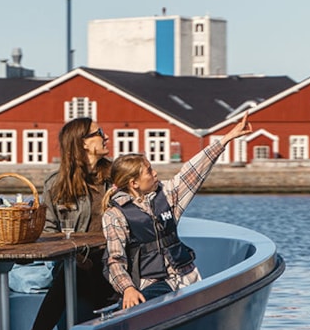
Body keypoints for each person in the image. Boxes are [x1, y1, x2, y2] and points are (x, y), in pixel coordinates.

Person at [101, 113, 253, 310]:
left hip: (186, 277)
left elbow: (194, 170)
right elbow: (115, 259)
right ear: (134, 183)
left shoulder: (168, 194)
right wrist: (128, 288)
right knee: (134, 306)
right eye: (149, 171)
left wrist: (226, 139)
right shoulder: (115, 215)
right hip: (152, 284)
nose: (155, 173)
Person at [27, 117, 117, 330]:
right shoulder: (56, 185)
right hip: (74, 263)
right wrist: (74, 256)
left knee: (80, 274)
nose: (106, 136)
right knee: (72, 273)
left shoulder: (116, 178)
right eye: (99, 132)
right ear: (82, 143)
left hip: (113, 260)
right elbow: (47, 231)